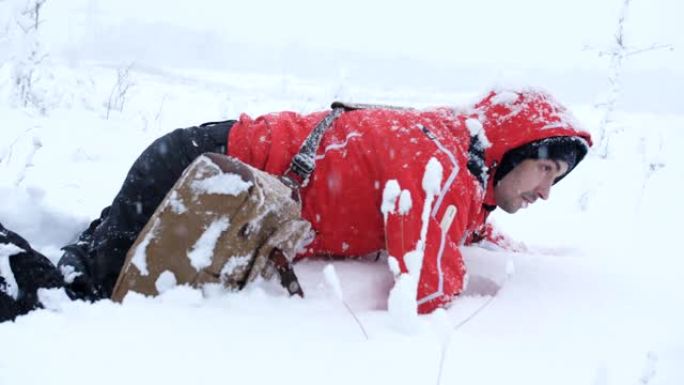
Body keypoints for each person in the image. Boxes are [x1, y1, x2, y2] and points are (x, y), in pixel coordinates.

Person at [0, 88, 592, 322]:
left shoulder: (450, 158)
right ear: (513, 147)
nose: (545, 190)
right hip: (205, 181)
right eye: (546, 169)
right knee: (68, 302)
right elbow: (427, 291)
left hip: (201, 162)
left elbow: (456, 219)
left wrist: (488, 236)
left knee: (79, 270)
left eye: (557, 182)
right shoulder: (436, 164)